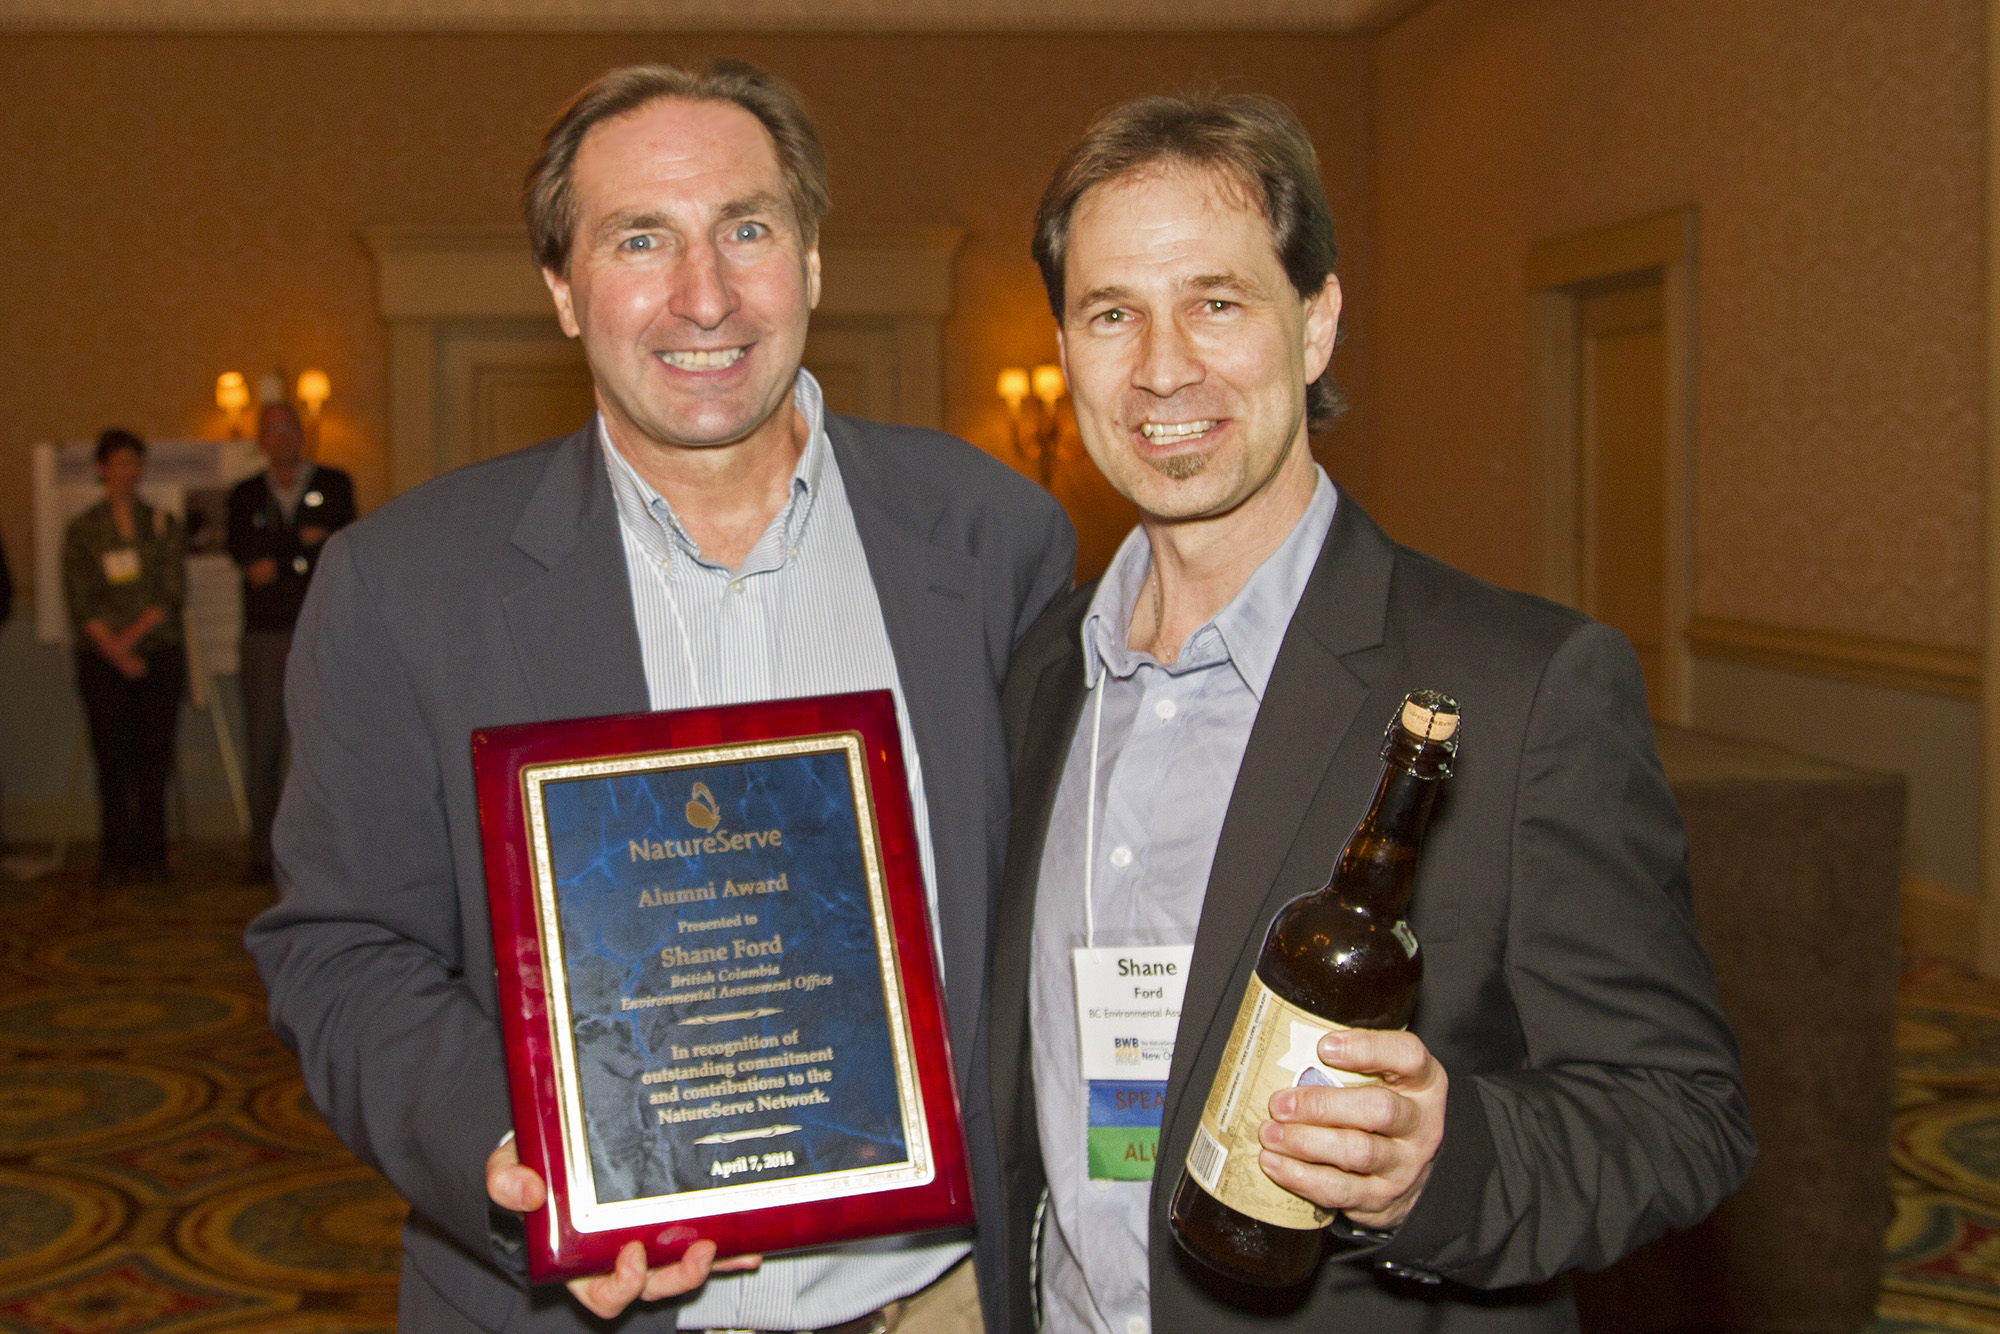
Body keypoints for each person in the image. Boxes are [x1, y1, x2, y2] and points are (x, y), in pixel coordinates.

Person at [243, 60, 1074, 1330]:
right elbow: (341, 947)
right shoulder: (403, 587)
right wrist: (514, 1151)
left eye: (746, 227)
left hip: (941, 1301)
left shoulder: (993, 534)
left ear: (809, 259)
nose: (704, 294)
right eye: (641, 238)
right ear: (564, 292)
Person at [984, 95, 1755, 1333]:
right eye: (1111, 311)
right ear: (1066, 343)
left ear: (1315, 323)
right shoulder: (1035, 676)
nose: (1162, 364)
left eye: (1216, 301)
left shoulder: (1522, 684)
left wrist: (1431, 1163)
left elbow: (1676, 1112)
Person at [226, 401, 356, 880]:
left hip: (322, 634)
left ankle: (323, 854)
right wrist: (302, 551)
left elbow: (338, 548)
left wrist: (283, 561)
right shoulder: (243, 496)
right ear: (260, 441)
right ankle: (262, 853)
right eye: (271, 430)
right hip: (264, 638)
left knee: (322, 745)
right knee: (263, 747)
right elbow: (250, 562)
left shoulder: (333, 485)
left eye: (289, 428)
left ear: (303, 436)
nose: (281, 437)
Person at [62, 429, 187, 885]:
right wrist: (114, 651)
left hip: (157, 654)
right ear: (101, 469)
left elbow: (171, 592)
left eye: (135, 463)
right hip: (101, 661)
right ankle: (114, 856)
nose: (128, 473)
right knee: (111, 759)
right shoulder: (82, 530)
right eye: (120, 463)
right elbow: (81, 601)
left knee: (154, 756)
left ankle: (153, 854)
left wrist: (132, 641)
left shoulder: (163, 523)